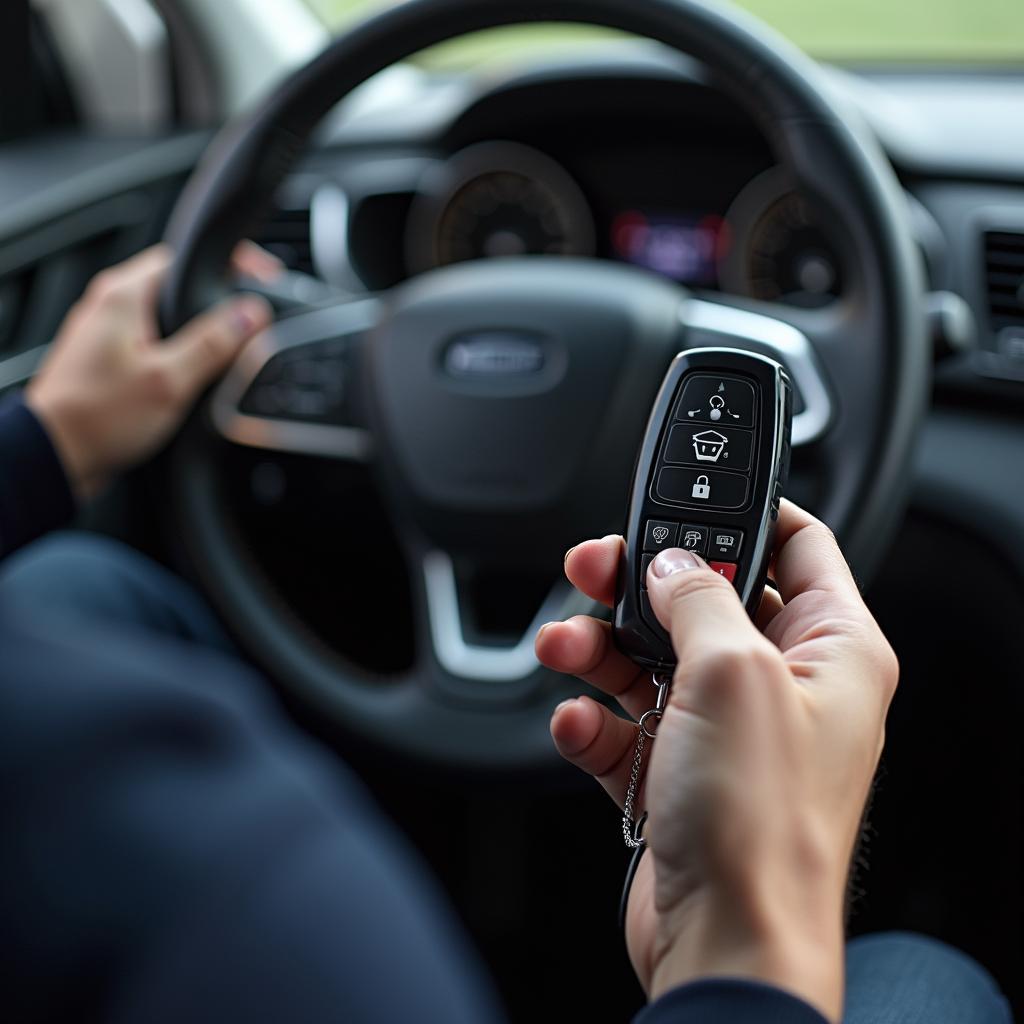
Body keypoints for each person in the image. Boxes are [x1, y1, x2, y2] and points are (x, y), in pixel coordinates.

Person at [0, 248, 1012, 1023]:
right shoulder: (230, 887)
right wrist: (744, 938)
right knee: (922, 979)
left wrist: (46, 442)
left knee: (78, 582)